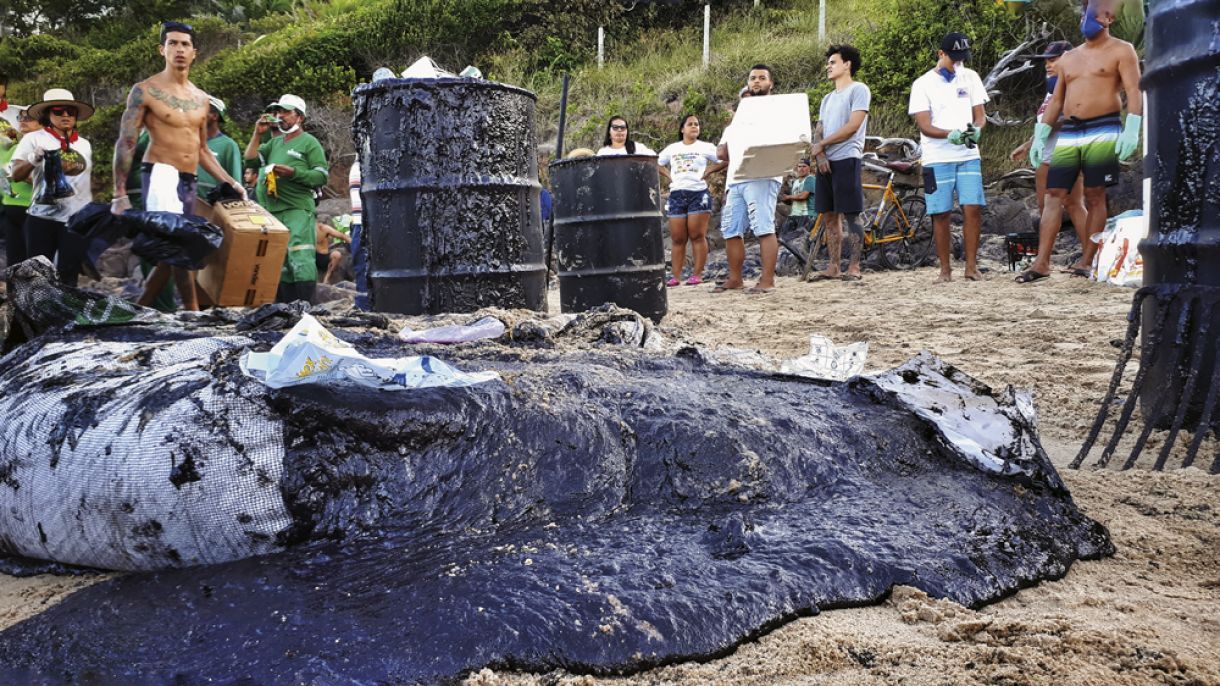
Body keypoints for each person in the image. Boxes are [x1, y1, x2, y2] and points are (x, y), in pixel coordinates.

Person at [111, 21, 246, 311]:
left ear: (194, 52)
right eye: (172, 43)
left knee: (173, 250)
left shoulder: (201, 99)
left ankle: (142, 307)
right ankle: (192, 309)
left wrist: (232, 183)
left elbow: (202, 150)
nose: (179, 49)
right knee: (180, 245)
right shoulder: (145, 90)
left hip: (189, 179)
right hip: (160, 173)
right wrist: (119, 193)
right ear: (162, 50)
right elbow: (126, 142)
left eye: (185, 44)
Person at [1019, 0, 1142, 284]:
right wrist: (1039, 137)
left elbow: (1135, 90)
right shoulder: (1070, 57)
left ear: (1108, 19)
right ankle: (1042, 262)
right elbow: (1057, 100)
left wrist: (1132, 127)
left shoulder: (1123, 50)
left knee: (1095, 193)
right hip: (1070, 131)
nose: (1086, 19)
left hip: (1104, 126)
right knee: (1053, 194)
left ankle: (1088, 260)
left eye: (1093, 13)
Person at [908, 32, 989, 283]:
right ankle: (945, 269)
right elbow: (924, 125)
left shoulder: (971, 76)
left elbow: (980, 115)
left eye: (961, 58)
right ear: (940, 54)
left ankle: (971, 267)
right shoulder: (922, 84)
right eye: (953, 58)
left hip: (967, 153)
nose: (957, 63)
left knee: (972, 207)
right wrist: (949, 135)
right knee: (940, 212)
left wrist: (977, 128)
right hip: (936, 156)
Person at [1010, 39, 1089, 275]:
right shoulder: (1052, 88)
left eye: (1053, 60)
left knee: (1057, 203)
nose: (1048, 64)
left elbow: (1065, 116)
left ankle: (1043, 263)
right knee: (1068, 204)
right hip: (1047, 153)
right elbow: (1046, 120)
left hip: (1066, 150)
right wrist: (1029, 144)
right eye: (1046, 60)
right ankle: (1087, 258)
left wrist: (1042, 135)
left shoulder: (1074, 83)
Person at [243, 94, 330, 304]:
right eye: (277, 111)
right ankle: (286, 309)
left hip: (297, 208)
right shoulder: (274, 144)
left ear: (299, 117)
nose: (279, 116)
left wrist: (293, 173)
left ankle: (307, 307)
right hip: (273, 211)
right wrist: (257, 133)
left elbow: (321, 176)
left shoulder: (309, 143)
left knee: (300, 255)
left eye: (285, 112)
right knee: (279, 259)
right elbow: (250, 159)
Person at [6, 88, 94, 285]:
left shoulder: (85, 144)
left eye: (70, 111)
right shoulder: (34, 139)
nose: (65, 115)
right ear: (47, 114)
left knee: (69, 273)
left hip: (76, 218)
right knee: (37, 274)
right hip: (42, 217)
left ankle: (63, 314)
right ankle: (34, 314)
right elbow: (16, 174)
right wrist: (33, 159)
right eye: (58, 110)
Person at [715, 64, 783, 294]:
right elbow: (721, 152)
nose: (756, 81)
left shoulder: (777, 110)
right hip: (736, 178)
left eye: (762, 78)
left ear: (770, 83)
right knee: (731, 229)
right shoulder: (738, 120)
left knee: (763, 226)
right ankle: (736, 278)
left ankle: (767, 280)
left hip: (763, 174)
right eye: (752, 78)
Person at [809, 44, 871, 281]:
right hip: (827, 161)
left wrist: (823, 145)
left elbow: (852, 127)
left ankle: (854, 266)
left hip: (847, 157)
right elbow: (819, 129)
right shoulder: (826, 98)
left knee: (852, 214)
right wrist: (820, 154)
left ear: (847, 64)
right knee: (829, 215)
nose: (828, 66)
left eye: (833, 62)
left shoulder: (859, 90)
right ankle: (833, 265)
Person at [657, 114, 725, 286]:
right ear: (682, 129)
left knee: (697, 235)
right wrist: (668, 175)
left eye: (697, 124)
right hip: (677, 194)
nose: (694, 127)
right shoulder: (673, 148)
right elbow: (655, 162)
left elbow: (725, 159)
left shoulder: (706, 147)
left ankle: (697, 274)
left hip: (698, 193)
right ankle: (676, 276)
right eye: (690, 124)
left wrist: (710, 171)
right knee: (678, 238)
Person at [1, 105, 38, 272]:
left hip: (33, 210)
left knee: (34, 262)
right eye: (20, 117)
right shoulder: (15, 148)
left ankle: (39, 297)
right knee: (14, 263)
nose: (23, 121)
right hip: (10, 209)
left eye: (28, 117)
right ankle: (15, 296)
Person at [196, 97, 243, 201]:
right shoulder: (193, 140)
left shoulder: (229, 145)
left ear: (214, 116)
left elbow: (235, 181)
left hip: (212, 207)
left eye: (202, 110)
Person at [778, 159, 815, 252]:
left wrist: (788, 197)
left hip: (807, 215)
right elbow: (792, 200)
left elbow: (803, 196)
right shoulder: (796, 182)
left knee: (799, 241)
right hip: (794, 215)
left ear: (809, 168)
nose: (801, 169)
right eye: (799, 166)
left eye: (804, 166)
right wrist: (784, 198)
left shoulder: (811, 179)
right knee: (782, 239)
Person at [314, 217, 350, 284]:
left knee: (337, 255)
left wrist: (353, 244)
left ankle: (327, 277)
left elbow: (342, 236)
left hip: (324, 257)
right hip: (312, 257)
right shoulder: (303, 230)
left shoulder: (323, 228)